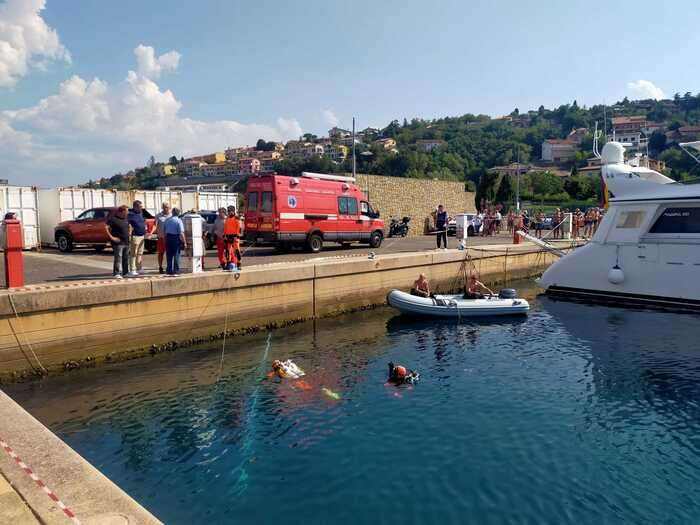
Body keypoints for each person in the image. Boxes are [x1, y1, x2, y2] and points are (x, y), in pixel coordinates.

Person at [105, 205, 131, 279]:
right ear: (121, 211)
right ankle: (116, 273)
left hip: (126, 242)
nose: (127, 213)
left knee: (125, 258)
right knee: (118, 258)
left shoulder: (126, 218)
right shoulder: (113, 219)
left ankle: (125, 272)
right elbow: (106, 227)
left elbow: (129, 226)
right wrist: (111, 237)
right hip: (118, 243)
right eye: (126, 211)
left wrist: (129, 232)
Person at [164, 207, 186, 275]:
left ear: (172, 213)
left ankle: (169, 270)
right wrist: (184, 242)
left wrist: (165, 240)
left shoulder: (167, 220)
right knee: (176, 255)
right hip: (176, 238)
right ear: (178, 213)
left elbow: (164, 231)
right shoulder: (179, 221)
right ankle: (176, 270)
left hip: (168, 238)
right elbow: (181, 233)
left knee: (169, 255)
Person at [127, 200, 146, 276]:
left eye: (141, 207)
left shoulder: (140, 213)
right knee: (133, 253)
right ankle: (132, 270)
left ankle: (139, 268)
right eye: (140, 207)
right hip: (135, 236)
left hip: (142, 236)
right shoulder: (130, 214)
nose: (141, 208)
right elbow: (128, 224)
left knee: (140, 253)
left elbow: (143, 222)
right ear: (135, 207)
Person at [153, 202, 171, 274]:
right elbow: (155, 225)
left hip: (169, 237)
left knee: (169, 253)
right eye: (164, 207)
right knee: (161, 253)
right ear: (162, 208)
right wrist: (151, 233)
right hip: (161, 237)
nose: (166, 208)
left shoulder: (171, 216)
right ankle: (160, 267)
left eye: (167, 207)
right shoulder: (158, 216)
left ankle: (169, 267)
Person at [223, 205, 241, 271]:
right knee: (228, 251)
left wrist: (236, 236)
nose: (230, 212)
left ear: (234, 211)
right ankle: (228, 264)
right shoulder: (227, 219)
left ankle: (239, 264)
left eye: (231, 211)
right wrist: (224, 236)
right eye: (229, 211)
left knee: (237, 250)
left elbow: (238, 228)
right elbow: (225, 228)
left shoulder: (237, 219)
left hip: (235, 236)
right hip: (228, 236)